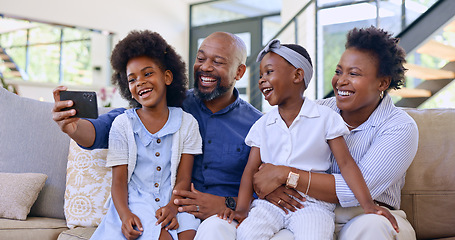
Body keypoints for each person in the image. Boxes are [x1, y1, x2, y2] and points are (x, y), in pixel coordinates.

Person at [52, 31, 264, 238]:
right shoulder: (169, 101)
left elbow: (266, 190)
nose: (205, 67)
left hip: (221, 219)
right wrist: (73, 127)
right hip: (170, 209)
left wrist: (226, 203)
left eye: (218, 62)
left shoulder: (257, 125)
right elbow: (106, 128)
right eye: (200, 59)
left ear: (239, 72)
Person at [217, 39, 397, 240]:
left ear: (297, 75)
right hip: (269, 204)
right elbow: (251, 169)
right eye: (260, 75)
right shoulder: (262, 124)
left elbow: (346, 164)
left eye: (269, 72)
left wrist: (368, 205)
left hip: (313, 204)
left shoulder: (326, 117)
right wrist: (242, 209)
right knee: (246, 235)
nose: (261, 80)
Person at [252, 26, 419, 239]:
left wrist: (285, 175)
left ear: (382, 82)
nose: (341, 81)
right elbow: (266, 164)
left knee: (373, 228)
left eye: (354, 73)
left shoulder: (399, 127)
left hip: (367, 214)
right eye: (339, 71)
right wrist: (272, 187)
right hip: (308, 210)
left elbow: (354, 192)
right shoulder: (317, 111)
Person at [88, 30, 202, 240]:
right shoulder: (123, 124)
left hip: (173, 198)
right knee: (162, 237)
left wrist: (172, 207)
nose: (140, 81)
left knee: (189, 234)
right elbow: (119, 182)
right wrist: (125, 215)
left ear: (167, 76)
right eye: (132, 79)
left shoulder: (187, 123)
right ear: (127, 87)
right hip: (135, 200)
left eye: (148, 73)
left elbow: (184, 177)